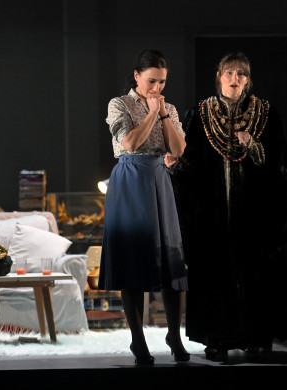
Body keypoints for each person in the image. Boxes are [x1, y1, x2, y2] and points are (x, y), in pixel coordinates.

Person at [171, 53, 287, 359]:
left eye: (241, 74)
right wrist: (176, 165)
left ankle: (257, 336)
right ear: (219, 76)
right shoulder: (200, 114)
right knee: (215, 271)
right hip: (212, 214)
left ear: (247, 79)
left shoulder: (266, 113)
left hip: (253, 212)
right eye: (229, 73)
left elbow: (279, 163)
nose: (234, 79)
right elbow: (190, 162)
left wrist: (253, 146)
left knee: (255, 271)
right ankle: (217, 337)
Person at [99, 49, 189, 365]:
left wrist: (162, 114)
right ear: (137, 76)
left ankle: (174, 336)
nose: (157, 88)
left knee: (169, 259)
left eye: (162, 82)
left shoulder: (169, 107)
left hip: (159, 180)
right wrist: (151, 113)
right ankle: (138, 340)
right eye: (152, 81)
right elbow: (129, 143)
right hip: (129, 179)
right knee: (133, 260)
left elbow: (178, 148)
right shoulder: (119, 104)